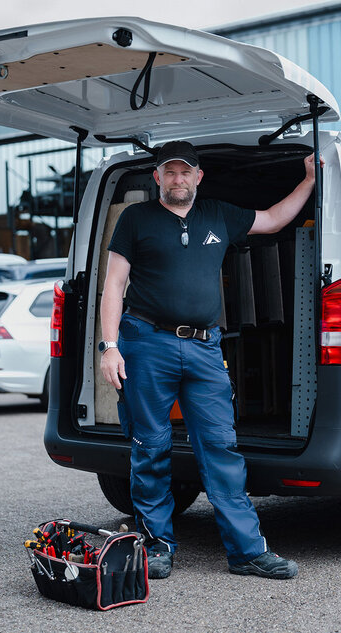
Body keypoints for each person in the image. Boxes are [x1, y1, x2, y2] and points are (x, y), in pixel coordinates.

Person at [99, 140, 318, 580]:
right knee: (150, 446)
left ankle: (247, 552)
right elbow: (113, 285)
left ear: (198, 177)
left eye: (186, 172)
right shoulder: (135, 219)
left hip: (203, 347)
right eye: (169, 172)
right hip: (147, 343)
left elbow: (275, 218)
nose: (178, 179)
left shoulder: (218, 214)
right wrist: (109, 347)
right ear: (157, 177)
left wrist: (311, 179)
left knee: (221, 446)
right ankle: (156, 546)